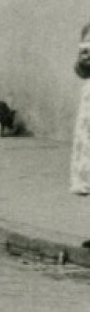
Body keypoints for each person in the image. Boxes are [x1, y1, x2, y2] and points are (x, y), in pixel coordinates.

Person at [72, 19, 90, 201]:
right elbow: (81, 67)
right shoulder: (87, 30)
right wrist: (84, 57)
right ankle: (84, 179)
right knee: (85, 137)